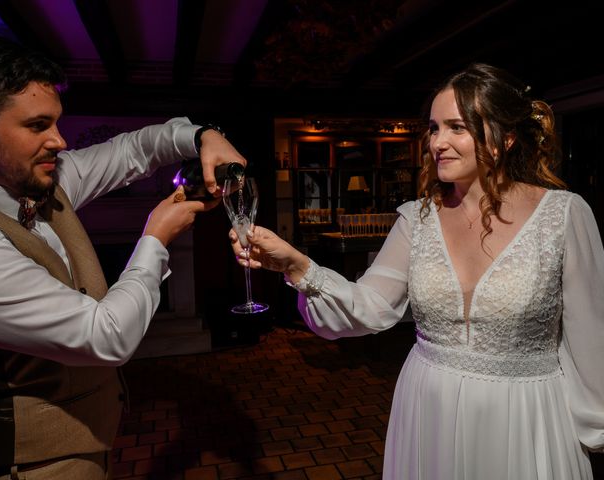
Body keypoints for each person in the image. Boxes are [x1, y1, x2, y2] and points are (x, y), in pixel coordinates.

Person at [230, 63, 604, 479]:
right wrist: (298, 265)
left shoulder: (564, 216)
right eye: (433, 128)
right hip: (430, 411)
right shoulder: (417, 219)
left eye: (456, 127)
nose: (437, 143)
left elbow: (593, 341)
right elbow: (368, 307)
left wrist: (596, 431)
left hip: (527, 418)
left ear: (504, 139)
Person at [0, 34, 246, 479]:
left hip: (92, 441)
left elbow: (135, 149)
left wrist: (203, 135)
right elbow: (105, 337)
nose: (58, 141)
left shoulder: (47, 180)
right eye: (37, 126)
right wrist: (155, 238)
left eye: (57, 123)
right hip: (25, 466)